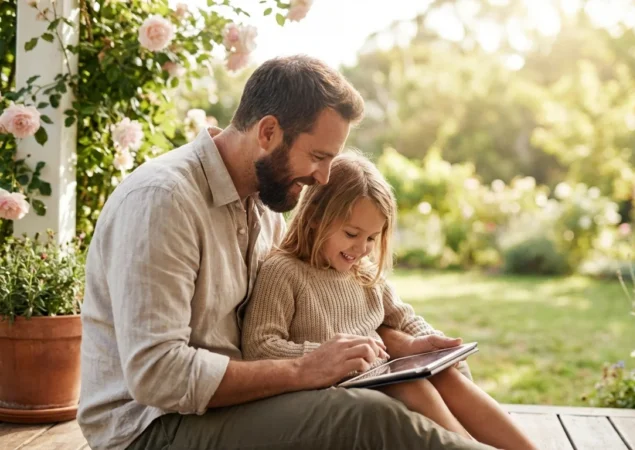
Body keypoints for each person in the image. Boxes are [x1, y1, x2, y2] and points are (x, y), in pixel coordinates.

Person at [78, 55, 496, 450]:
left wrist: (396, 344)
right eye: (317, 156)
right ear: (267, 132)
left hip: (228, 406)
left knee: (423, 382)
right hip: (152, 427)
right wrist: (304, 369)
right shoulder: (164, 201)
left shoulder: (263, 207)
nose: (323, 177)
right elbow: (157, 375)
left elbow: (305, 314)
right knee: (367, 418)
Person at [241, 152, 539, 450]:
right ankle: (466, 445)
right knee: (411, 386)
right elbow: (259, 346)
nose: (361, 248)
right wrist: (329, 355)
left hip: (373, 376)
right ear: (316, 217)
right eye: (351, 234)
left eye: (372, 238)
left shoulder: (363, 272)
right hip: (322, 392)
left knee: (446, 376)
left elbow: (403, 317)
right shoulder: (284, 271)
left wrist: (433, 344)